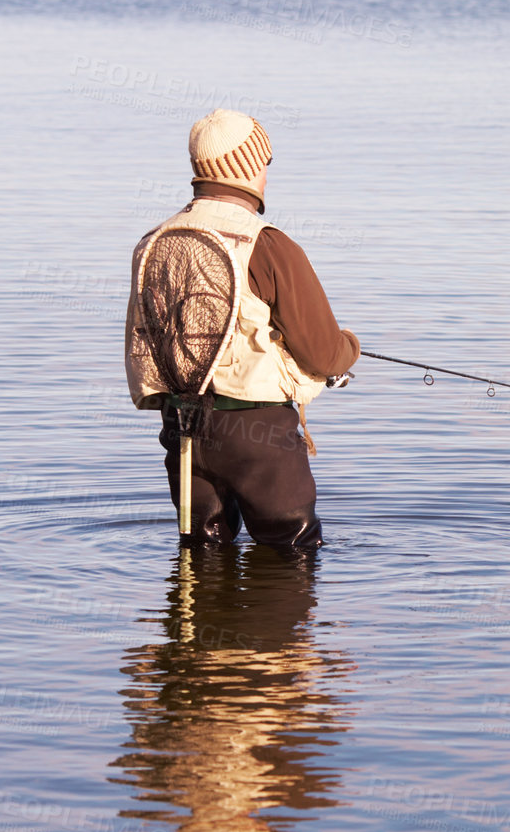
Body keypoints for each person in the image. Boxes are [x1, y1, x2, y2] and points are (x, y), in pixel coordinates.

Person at [125, 109, 358, 548]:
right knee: (293, 557)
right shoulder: (268, 244)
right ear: (248, 167)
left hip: (182, 426)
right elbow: (325, 354)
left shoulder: (153, 241)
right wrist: (350, 348)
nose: (266, 178)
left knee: (201, 560)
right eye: (264, 166)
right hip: (259, 434)